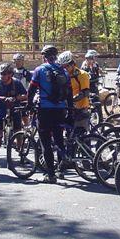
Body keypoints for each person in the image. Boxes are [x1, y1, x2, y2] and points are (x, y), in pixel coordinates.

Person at [27, 45, 73, 183]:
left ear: (44, 56)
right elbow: (69, 93)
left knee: (45, 142)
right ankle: (61, 170)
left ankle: (50, 175)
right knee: (59, 138)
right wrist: (70, 110)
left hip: (45, 109)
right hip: (60, 109)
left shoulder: (40, 70)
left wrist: (29, 104)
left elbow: (31, 89)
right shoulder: (63, 71)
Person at [0, 63, 27, 163]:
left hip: (15, 108)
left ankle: (21, 154)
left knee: (18, 131)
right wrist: (3, 98)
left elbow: (25, 95)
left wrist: (17, 98)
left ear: (11, 74)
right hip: (1, 109)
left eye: (5, 74)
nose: (2, 76)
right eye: (1, 74)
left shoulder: (16, 83)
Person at [58, 51, 90, 133]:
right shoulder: (64, 76)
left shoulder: (82, 75)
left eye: (66, 66)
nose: (65, 69)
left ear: (73, 64)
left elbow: (85, 92)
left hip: (81, 108)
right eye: (62, 67)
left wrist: (71, 100)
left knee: (81, 135)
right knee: (69, 135)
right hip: (69, 109)